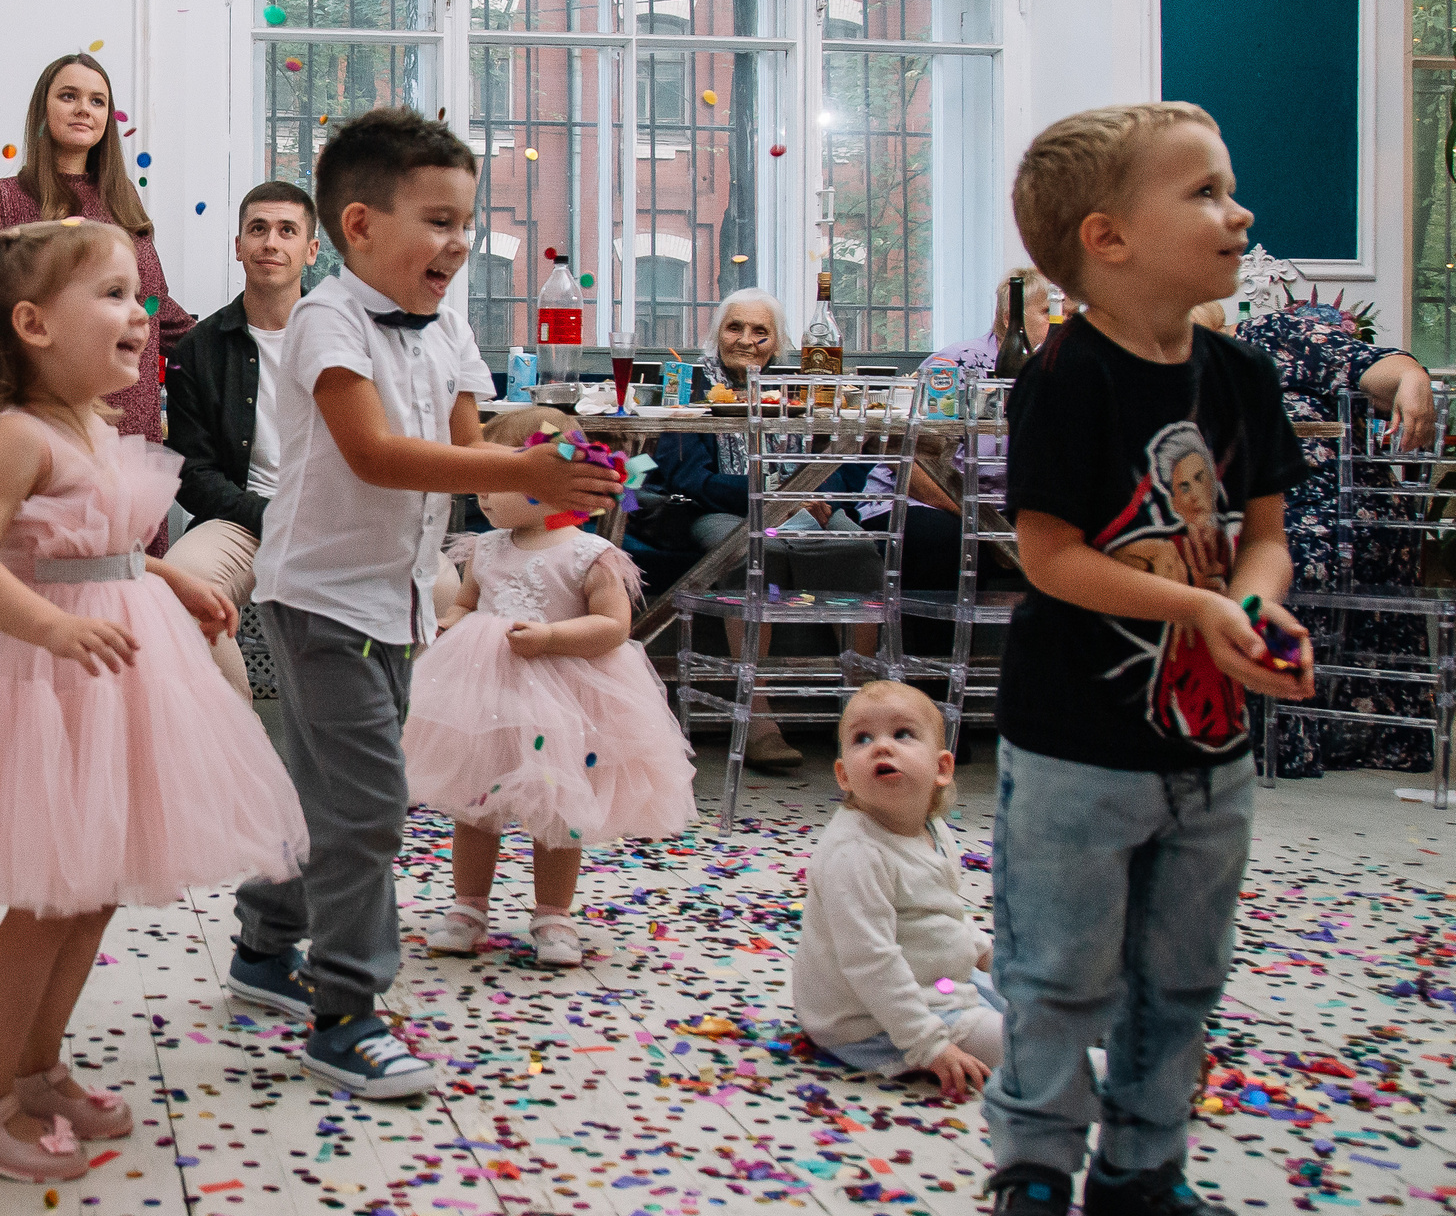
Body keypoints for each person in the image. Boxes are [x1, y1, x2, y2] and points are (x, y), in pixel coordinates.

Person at [0, 219, 306, 1181]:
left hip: (119, 674)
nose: (141, 315)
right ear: (35, 324)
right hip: (40, 687)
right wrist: (49, 627)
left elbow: (110, 544)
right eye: (117, 296)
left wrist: (170, 580)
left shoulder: (102, 426)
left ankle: (38, 1066)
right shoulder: (15, 433)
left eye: (138, 295)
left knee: (91, 893)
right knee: (45, 902)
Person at [222, 107, 624, 1097]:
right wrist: (510, 460)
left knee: (322, 793)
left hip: (395, 600)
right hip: (319, 596)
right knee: (364, 810)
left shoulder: (448, 326)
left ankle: (265, 947)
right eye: (437, 221)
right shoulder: (326, 318)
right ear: (358, 226)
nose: (459, 242)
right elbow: (377, 453)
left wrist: (550, 466)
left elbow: (464, 447)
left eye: (465, 222)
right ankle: (346, 1012)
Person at [981, 102, 1313, 1216]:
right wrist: (1203, 613)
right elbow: (1052, 555)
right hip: (1075, 748)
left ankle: (1141, 1173)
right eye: (1208, 193)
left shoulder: (1240, 375)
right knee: (1060, 971)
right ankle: (1030, 1172)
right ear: (1109, 238)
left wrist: (1257, 611)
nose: (1241, 212)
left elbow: (1263, 533)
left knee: (1181, 975)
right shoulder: (1063, 379)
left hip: (1209, 747)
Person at [408, 407, 695, 968]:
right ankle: (468, 905)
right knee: (475, 802)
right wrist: (448, 625)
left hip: (564, 700)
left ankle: (553, 914)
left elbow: (614, 626)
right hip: (487, 698)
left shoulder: (590, 554)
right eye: (483, 482)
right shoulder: (486, 549)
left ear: (557, 481)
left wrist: (553, 636)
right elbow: (467, 602)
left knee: (558, 809)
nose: (485, 496)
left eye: (501, 480)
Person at [656, 288, 887, 772]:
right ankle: (757, 718)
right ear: (716, 334)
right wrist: (774, 496)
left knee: (860, 550)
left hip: (803, 507)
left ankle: (859, 716)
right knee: (746, 556)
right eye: (734, 328)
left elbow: (838, 464)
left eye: (760, 332)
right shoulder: (691, 384)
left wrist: (811, 491)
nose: (746, 340)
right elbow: (688, 478)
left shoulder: (799, 387)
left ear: (776, 341)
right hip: (720, 510)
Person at [1231, 293, 1441, 777]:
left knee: (1269, 564)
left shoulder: (1266, 335)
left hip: (1330, 522)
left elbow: (1377, 364)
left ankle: (1281, 736)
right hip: (1260, 517)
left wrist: (1413, 377)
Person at [0, 53, 195, 445]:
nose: (84, 109)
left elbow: (154, 304)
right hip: (42, 423)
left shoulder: (125, 200)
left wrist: (230, 339)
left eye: (97, 100)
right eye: (69, 96)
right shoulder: (3, 199)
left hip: (130, 421)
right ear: (43, 108)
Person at [792, 681, 1003, 1096]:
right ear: (843, 775)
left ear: (942, 767)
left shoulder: (932, 829)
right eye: (862, 738)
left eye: (902, 734)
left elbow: (936, 913)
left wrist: (983, 951)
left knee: (1042, 1001)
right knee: (1035, 1052)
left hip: (934, 981)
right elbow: (871, 962)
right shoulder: (855, 853)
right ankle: (1128, 1080)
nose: (881, 747)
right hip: (870, 1018)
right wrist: (930, 1045)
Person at [164, 181, 323, 700]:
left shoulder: (351, 337)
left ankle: (398, 761)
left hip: (337, 519)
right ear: (238, 246)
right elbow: (192, 475)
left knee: (438, 588)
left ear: (311, 250)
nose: (270, 243)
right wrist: (271, 517)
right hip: (244, 519)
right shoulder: (198, 348)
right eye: (258, 229)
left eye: (286, 231)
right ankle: (244, 744)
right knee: (179, 587)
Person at [855, 267, 1052, 594]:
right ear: (1009, 318)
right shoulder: (954, 366)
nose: (1064, 323)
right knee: (949, 543)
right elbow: (908, 460)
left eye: (1072, 315)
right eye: (1049, 312)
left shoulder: (1062, 376)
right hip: (921, 502)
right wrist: (985, 526)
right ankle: (931, 648)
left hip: (1005, 511)